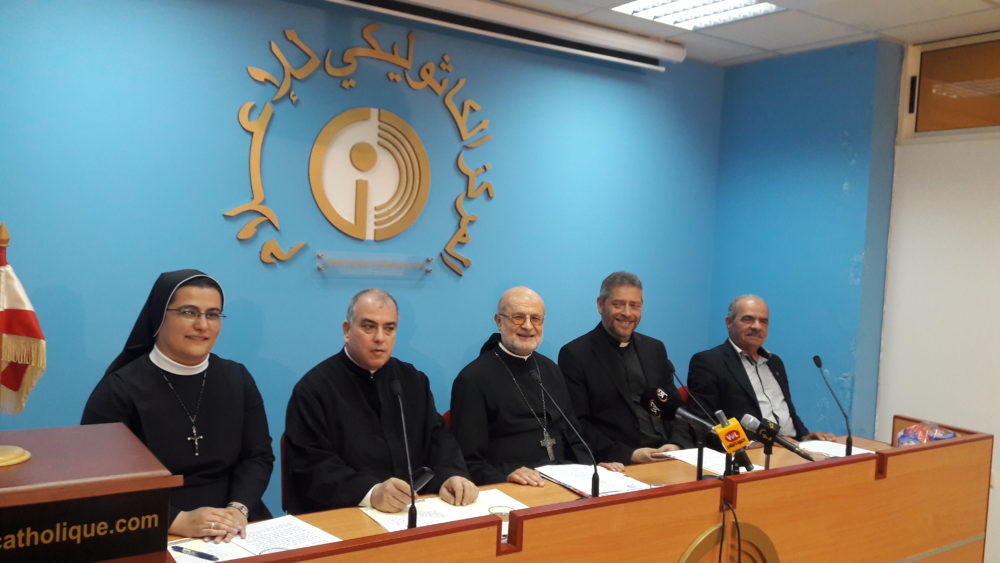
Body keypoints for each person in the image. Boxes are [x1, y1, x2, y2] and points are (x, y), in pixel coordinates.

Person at [82, 270, 274, 542]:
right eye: (188, 312)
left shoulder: (237, 378)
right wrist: (175, 519)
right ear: (159, 316)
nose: (202, 325)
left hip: (236, 521)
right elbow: (102, 481)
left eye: (213, 314)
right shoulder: (119, 390)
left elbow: (258, 456)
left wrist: (238, 509)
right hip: (150, 521)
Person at [283, 288, 477, 515]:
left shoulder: (412, 380)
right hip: (347, 513)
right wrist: (371, 493)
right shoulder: (313, 390)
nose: (379, 337)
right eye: (368, 327)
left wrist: (451, 475)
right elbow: (312, 467)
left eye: (389, 328)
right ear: (347, 330)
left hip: (413, 512)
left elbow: (439, 440)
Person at [450, 287, 624, 487]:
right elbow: (468, 461)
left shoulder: (550, 369)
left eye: (535, 318)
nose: (527, 326)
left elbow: (574, 437)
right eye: (518, 318)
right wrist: (506, 475)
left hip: (563, 480)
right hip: (515, 486)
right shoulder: (473, 378)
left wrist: (592, 469)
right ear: (499, 321)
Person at [559, 272, 692, 466]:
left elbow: (676, 407)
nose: (627, 313)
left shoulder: (654, 348)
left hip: (669, 457)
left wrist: (677, 444)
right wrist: (630, 455)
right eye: (618, 304)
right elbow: (577, 424)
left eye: (635, 305)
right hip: (619, 463)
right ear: (600, 305)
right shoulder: (576, 354)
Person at [687, 294, 836, 442]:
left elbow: (786, 410)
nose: (757, 326)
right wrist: (756, 444)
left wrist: (805, 436)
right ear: (729, 322)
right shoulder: (709, 361)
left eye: (763, 321)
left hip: (794, 446)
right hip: (752, 450)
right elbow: (703, 421)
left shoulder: (775, 362)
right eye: (748, 319)